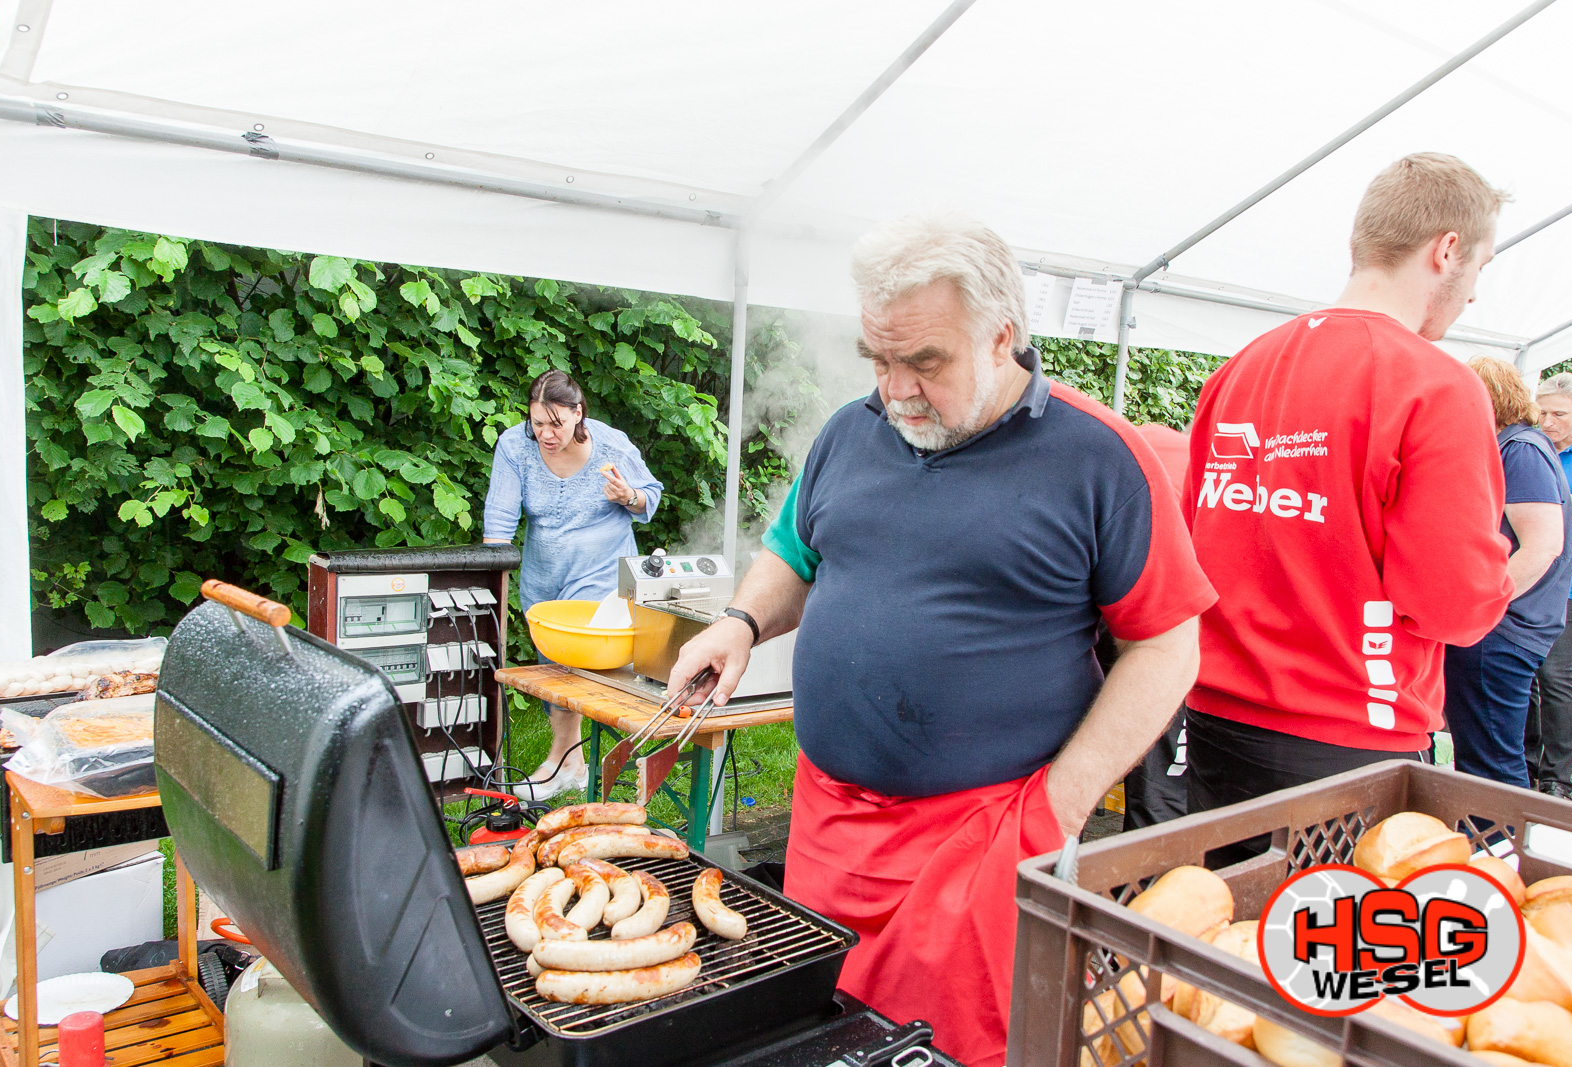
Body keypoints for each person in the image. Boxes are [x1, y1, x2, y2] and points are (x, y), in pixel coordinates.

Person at [665, 212, 1215, 1067]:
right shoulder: (850, 433)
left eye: (924, 361)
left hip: (983, 844)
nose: (895, 389)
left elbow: (1169, 646)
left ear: (1003, 337)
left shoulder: (1099, 457)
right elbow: (792, 553)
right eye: (878, 360)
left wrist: (1058, 809)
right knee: (819, 1042)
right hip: (824, 831)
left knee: (955, 1054)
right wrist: (739, 623)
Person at [1182, 153, 1514, 853]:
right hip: (1348, 744)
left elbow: (1193, 545)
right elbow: (1456, 604)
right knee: (1327, 958)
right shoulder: (1437, 387)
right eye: (1481, 268)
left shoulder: (1240, 367)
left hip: (1213, 723)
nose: (1475, 294)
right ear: (1446, 249)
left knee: (1225, 950)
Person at [483, 370, 663, 799]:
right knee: (552, 665)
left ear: (577, 413)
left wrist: (628, 497)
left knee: (572, 660)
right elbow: (500, 517)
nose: (545, 433)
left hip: (601, 570)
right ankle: (575, 764)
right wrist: (491, 567)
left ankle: (561, 762)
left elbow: (650, 498)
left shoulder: (612, 444)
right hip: (543, 576)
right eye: (537, 423)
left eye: (556, 423)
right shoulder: (514, 445)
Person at [1444, 358, 1570, 787]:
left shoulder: (1521, 450)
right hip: (1499, 628)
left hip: (1500, 630)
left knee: (1491, 764)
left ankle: (1499, 847)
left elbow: (1543, 544)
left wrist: (1482, 604)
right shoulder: (1516, 446)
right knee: (1487, 756)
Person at [1121, 423, 1194, 830]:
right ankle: (1145, 880)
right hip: (1160, 613)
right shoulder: (1203, 466)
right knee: (1160, 784)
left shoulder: (1136, 436)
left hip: (1091, 608)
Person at [1529, 372, 1572, 798]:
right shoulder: (1533, 445)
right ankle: (1527, 768)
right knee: (1527, 674)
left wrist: (1556, 493)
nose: (1548, 421)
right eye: (1542, 412)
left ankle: (1557, 780)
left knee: (1555, 675)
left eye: (1558, 414)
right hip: (1532, 573)